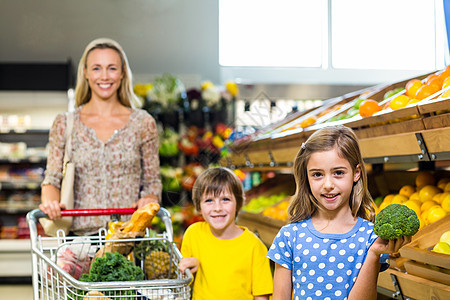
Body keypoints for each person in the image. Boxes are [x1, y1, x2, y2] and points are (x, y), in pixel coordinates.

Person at [267, 126, 411, 300]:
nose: (328, 184)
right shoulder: (289, 236)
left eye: (338, 173)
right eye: (317, 174)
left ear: (356, 173)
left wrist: (373, 254)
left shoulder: (370, 237)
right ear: (306, 177)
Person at [39, 38, 162, 236]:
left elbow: (152, 182)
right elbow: (52, 179)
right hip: (79, 240)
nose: (104, 76)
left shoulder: (143, 123)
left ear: (122, 73)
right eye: (96, 68)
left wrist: (149, 198)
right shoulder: (65, 123)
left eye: (112, 68)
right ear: (85, 73)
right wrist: (51, 202)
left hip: (128, 236)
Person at [179, 167, 273, 300]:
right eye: (209, 201)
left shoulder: (255, 247)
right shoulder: (193, 234)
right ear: (199, 207)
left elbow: (261, 296)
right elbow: (183, 286)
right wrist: (188, 269)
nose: (217, 208)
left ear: (238, 203)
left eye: (225, 199)